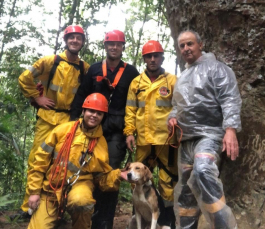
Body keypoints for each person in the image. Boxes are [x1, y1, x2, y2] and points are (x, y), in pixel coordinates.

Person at [168, 30, 242, 229]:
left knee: (203, 171)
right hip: (186, 139)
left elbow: (230, 99)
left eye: (190, 44)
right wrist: (172, 118)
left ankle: (224, 226)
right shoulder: (182, 76)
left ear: (200, 45)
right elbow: (177, 105)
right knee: (185, 190)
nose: (186, 49)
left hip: (209, 135)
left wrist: (230, 129)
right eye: (182, 45)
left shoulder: (217, 69)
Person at [17, 25, 90, 218]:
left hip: (68, 121)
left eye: (79, 38)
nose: (75, 41)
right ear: (66, 40)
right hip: (48, 118)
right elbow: (24, 78)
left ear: (82, 42)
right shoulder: (50, 61)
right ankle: (28, 208)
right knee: (37, 159)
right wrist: (36, 97)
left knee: (62, 162)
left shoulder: (84, 68)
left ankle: (56, 208)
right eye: (71, 37)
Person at [27, 93, 129, 229]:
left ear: (103, 117)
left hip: (80, 186)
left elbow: (101, 178)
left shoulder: (101, 143)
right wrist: (34, 192)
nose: (94, 115)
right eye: (91, 111)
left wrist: (118, 175)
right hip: (52, 187)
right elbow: (39, 161)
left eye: (99, 113)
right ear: (84, 111)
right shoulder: (62, 130)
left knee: (82, 201)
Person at [70, 30, 139, 228]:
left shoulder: (131, 72)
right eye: (110, 44)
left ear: (123, 47)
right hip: (92, 129)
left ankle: (104, 221)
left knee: (110, 173)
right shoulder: (93, 70)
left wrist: (130, 132)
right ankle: (86, 215)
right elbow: (81, 96)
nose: (114, 47)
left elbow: (134, 104)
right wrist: (74, 123)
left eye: (118, 44)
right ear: (105, 46)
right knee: (86, 170)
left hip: (116, 132)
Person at [124, 40, 178, 228]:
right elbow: (130, 110)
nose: (153, 59)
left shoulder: (171, 81)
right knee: (136, 179)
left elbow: (179, 106)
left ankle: (166, 222)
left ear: (162, 57)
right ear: (145, 58)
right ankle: (137, 219)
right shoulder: (136, 83)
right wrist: (129, 132)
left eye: (156, 55)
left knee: (167, 183)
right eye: (149, 56)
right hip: (144, 142)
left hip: (166, 141)